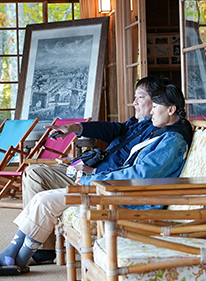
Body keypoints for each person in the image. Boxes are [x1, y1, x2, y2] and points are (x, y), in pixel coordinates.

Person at [0, 83, 193, 277]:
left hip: (126, 196)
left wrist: (94, 179)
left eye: (154, 106)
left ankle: (13, 257)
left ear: (171, 109)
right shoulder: (164, 134)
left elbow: (138, 174)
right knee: (43, 197)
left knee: (45, 200)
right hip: (114, 188)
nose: (150, 111)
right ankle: (15, 257)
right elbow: (129, 159)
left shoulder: (171, 140)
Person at [22, 75, 169, 206]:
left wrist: (95, 171)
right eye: (135, 97)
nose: (134, 102)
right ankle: (32, 235)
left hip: (99, 178)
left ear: (157, 101)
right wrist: (74, 127)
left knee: (35, 175)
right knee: (31, 172)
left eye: (140, 97)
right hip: (91, 170)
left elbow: (133, 171)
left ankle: (30, 236)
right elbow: (113, 129)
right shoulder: (137, 123)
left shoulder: (157, 134)